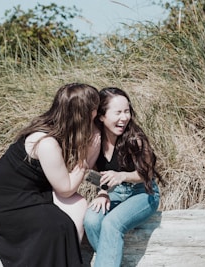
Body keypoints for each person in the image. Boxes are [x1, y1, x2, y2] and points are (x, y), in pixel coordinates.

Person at [0, 83, 100, 267]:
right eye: (94, 110)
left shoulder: (57, 129)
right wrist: (87, 157)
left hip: (32, 191)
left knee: (78, 205)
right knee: (56, 227)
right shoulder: (45, 142)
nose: (96, 114)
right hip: (6, 200)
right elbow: (66, 189)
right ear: (83, 114)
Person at [83, 87, 162, 267]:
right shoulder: (96, 139)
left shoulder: (136, 138)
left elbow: (147, 174)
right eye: (118, 112)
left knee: (111, 223)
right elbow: (98, 175)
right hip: (115, 193)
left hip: (143, 193)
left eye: (127, 111)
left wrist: (123, 176)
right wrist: (102, 193)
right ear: (102, 116)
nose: (124, 117)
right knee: (91, 220)